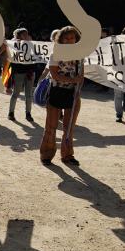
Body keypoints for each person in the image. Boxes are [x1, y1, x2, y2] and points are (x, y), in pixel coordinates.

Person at [40, 26, 85, 165]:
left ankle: (67, 155)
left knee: (69, 127)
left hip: (73, 94)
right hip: (56, 92)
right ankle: (46, 154)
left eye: (72, 38)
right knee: (51, 126)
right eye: (66, 38)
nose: (69, 40)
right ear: (61, 40)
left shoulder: (80, 55)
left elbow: (81, 75)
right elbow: (54, 74)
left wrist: (78, 89)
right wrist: (73, 80)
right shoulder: (55, 55)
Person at [8, 28, 35, 122]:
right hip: (19, 72)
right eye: (24, 34)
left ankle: (28, 113)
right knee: (15, 93)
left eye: (27, 34)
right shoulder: (14, 44)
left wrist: (30, 43)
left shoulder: (31, 44)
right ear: (18, 35)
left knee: (29, 95)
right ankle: (11, 113)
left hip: (29, 72)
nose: (26, 36)